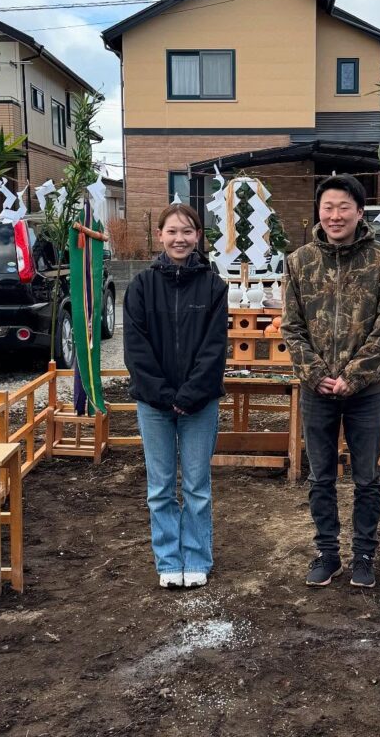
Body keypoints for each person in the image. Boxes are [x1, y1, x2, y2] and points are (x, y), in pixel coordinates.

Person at [281, 174, 380, 589]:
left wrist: (352, 377)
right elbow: (291, 329)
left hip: (366, 390)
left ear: (359, 211)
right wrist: (317, 375)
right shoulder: (299, 262)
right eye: (328, 207)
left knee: (367, 476)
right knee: (321, 476)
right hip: (316, 390)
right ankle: (327, 553)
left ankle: (364, 554)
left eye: (343, 207)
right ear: (319, 211)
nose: (335, 215)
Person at [123, 203, 228, 590]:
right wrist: (165, 395)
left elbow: (214, 348)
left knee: (197, 485)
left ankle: (197, 556)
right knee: (160, 486)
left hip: (200, 403)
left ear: (198, 236)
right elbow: (136, 349)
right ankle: (169, 559)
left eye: (187, 231)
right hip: (154, 405)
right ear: (160, 236)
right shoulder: (141, 286)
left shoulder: (214, 287)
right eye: (172, 231)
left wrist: (189, 394)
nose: (179, 239)